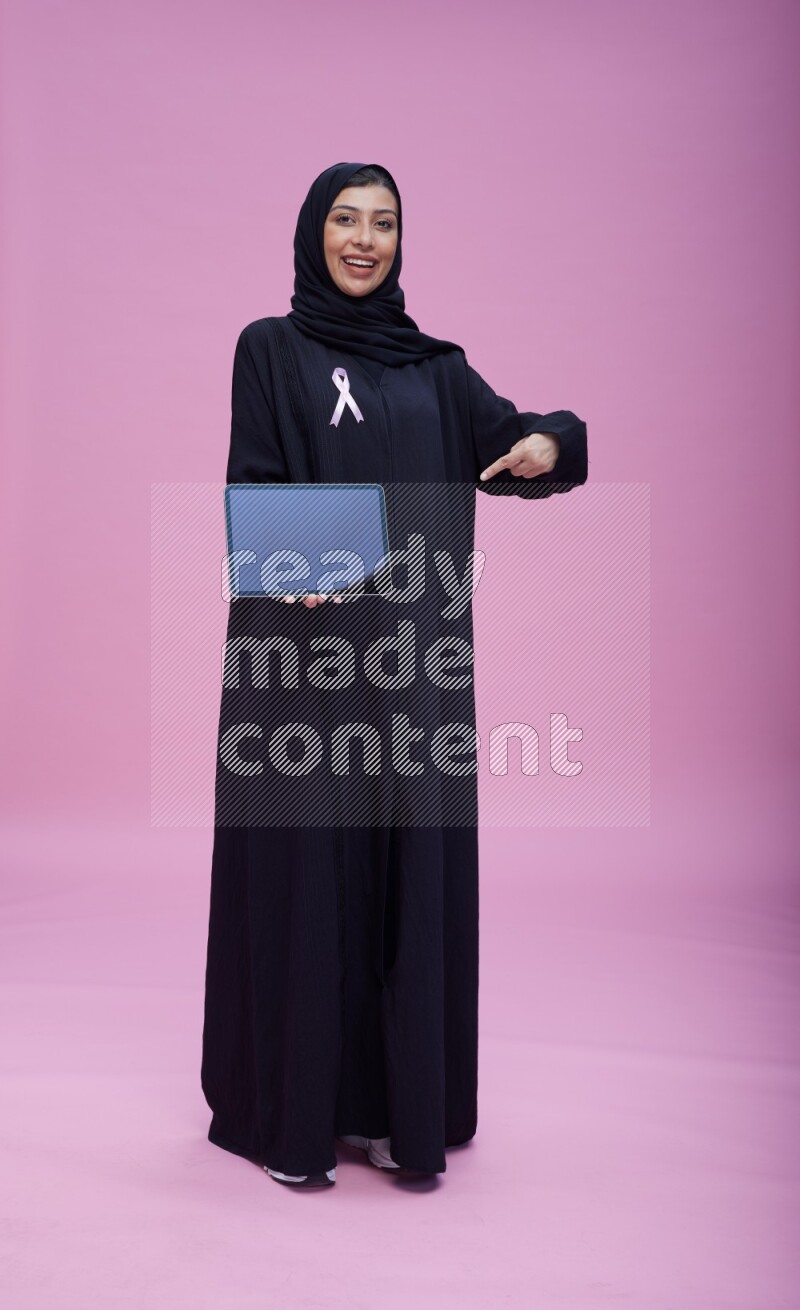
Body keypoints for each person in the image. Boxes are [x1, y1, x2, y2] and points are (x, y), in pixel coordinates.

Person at [201, 161, 588, 1188]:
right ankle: (296, 1114)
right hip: (300, 668)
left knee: (404, 879)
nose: (364, 239)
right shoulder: (270, 348)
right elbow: (255, 481)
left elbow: (518, 441)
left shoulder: (438, 371)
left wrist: (548, 443)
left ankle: (391, 1112)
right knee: (308, 878)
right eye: (345, 219)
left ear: (400, 241)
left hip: (414, 672)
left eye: (383, 222)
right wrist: (299, 559)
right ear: (313, 232)